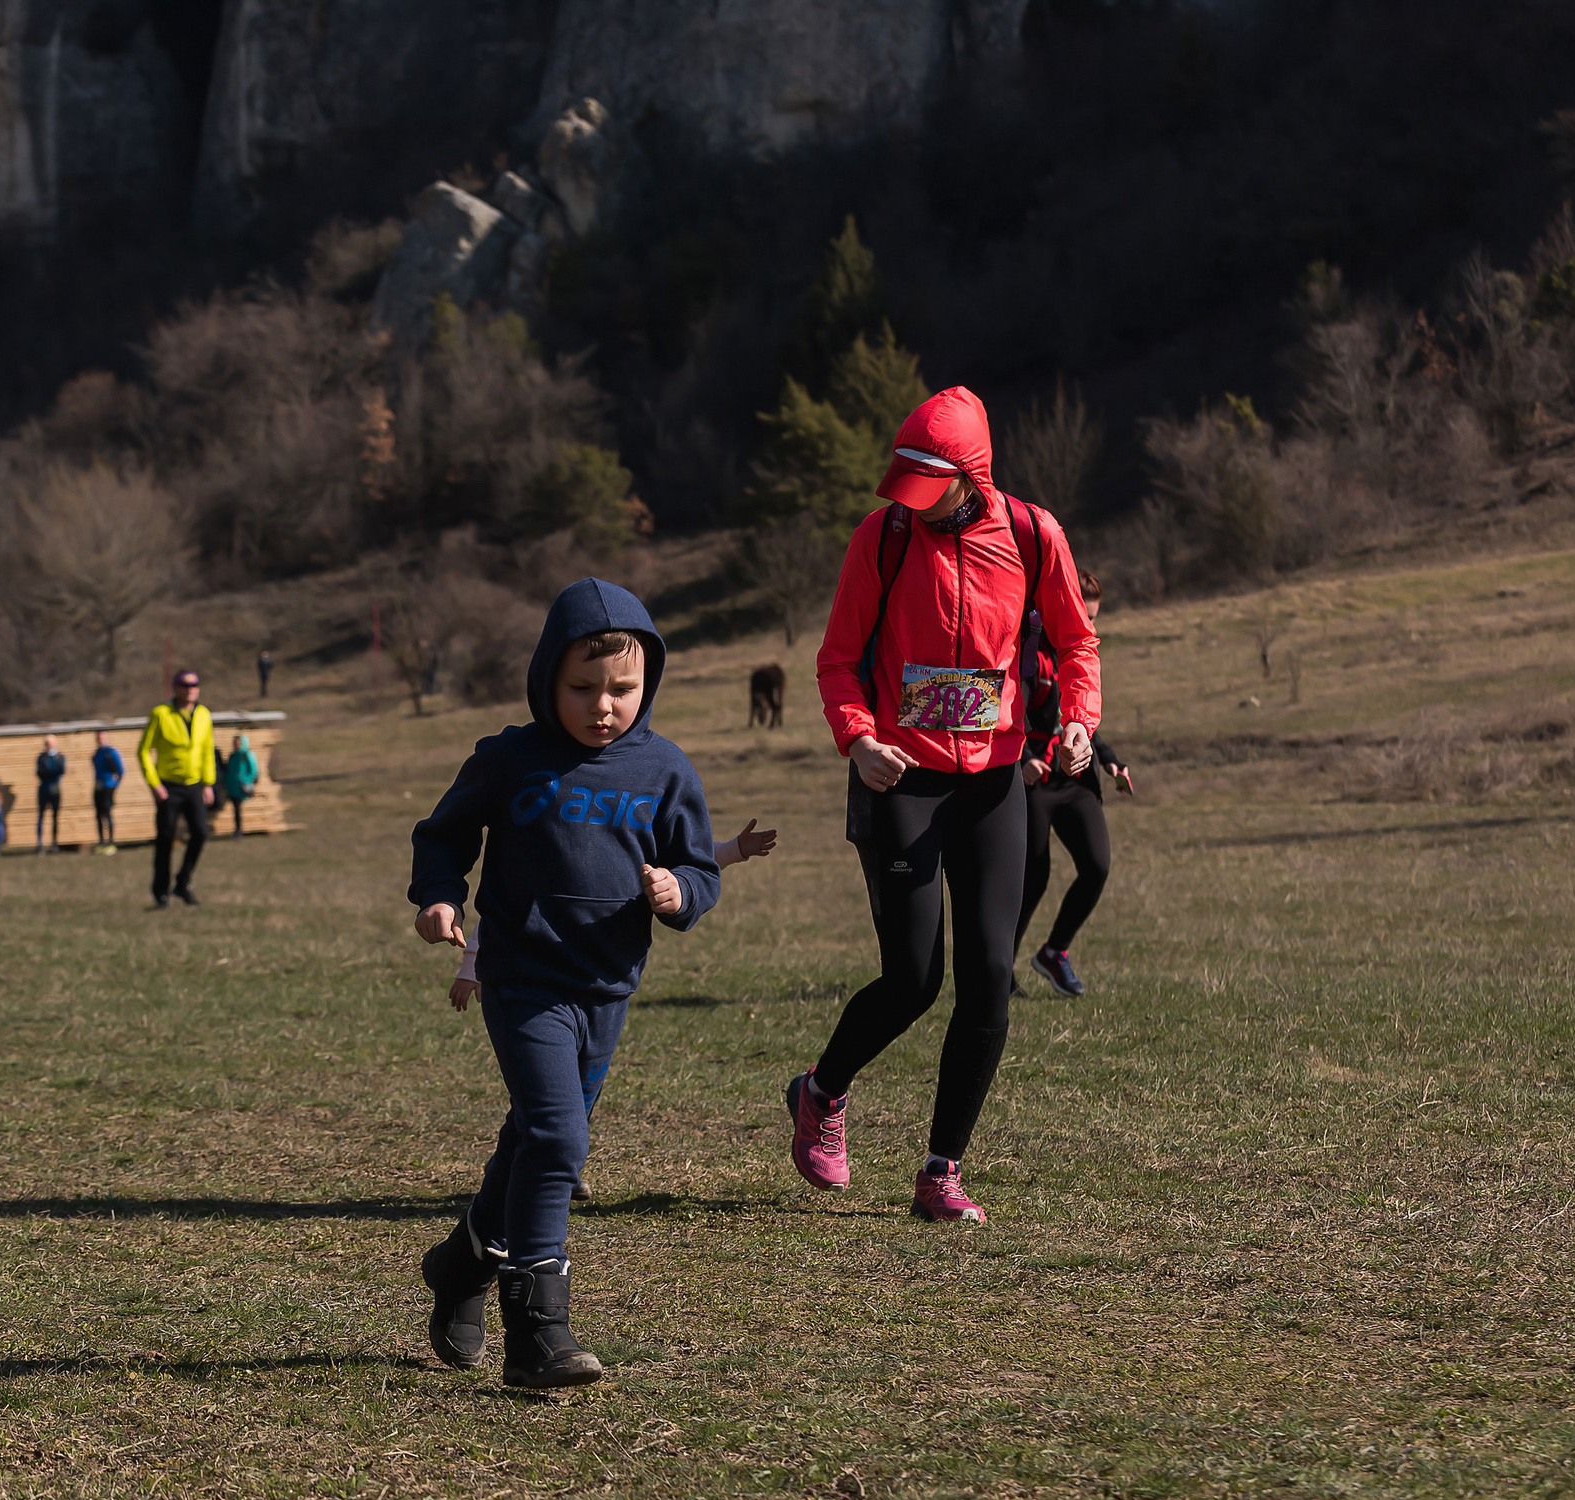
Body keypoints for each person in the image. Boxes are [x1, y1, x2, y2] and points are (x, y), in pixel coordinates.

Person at [786, 387, 1098, 1226]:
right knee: (913, 980)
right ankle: (821, 1090)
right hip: (903, 777)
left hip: (995, 779)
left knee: (989, 975)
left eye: (933, 489)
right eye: (909, 486)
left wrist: (1077, 721)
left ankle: (941, 1173)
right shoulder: (882, 538)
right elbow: (837, 660)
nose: (917, 504)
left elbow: (1076, 642)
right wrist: (857, 739)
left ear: (973, 476)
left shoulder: (1033, 534)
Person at [409, 579, 722, 1389]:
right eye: (582, 687)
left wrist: (680, 891)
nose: (602, 705)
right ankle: (538, 1331)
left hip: (607, 987)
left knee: (533, 1137)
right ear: (547, 675)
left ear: (649, 682)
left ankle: (461, 1263)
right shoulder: (509, 758)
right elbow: (443, 834)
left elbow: (699, 865)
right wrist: (440, 896)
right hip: (524, 983)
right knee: (558, 1138)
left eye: (622, 688)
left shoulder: (664, 768)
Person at [448, 816, 775, 1203]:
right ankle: (549, 1167)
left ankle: (551, 1161)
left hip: (602, 988)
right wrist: (470, 968)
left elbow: (687, 862)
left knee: (581, 1092)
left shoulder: (628, 841)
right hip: (536, 987)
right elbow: (503, 915)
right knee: (545, 1095)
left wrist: (735, 850)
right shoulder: (544, 848)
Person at [1015, 571, 1133, 998]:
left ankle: (1054, 952)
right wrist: (1023, 758)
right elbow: (1009, 713)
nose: (1090, 626)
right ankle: (998, 968)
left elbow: (1080, 722)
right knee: (1033, 878)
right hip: (1035, 783)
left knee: (1097, 865)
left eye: (1094, 618)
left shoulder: (1078, 657)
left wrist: (1111, 760)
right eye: (1084, 616)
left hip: (1075, 778)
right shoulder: (1029, 652)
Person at [139, 670, 214, 908]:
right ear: (176, 688)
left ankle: (183, 881)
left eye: (194, 685)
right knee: (165, 838)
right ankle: (161, 892)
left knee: (201, 833)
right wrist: (154, 783)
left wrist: (208, 782)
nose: (190, 690)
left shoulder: (203, 715)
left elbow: (207, 749)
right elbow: (143, 750)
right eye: (185, 685)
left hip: (194, 785)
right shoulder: (161, 714)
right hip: (169, 786)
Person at [220, 733, 260, 838]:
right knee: (236, 808)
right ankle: (237, 830)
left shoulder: (247, 754)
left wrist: (246, 780)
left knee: (237, 808)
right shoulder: (232, 756)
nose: (236, 745)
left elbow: (254, 771)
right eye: (235, 743)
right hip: (232, 786)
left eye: (238, 743)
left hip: (242, 787)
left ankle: (238, 830)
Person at [89, 732, 123, 854]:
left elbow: (121, 769)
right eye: (98, 738)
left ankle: (111, 842)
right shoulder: (96, 754)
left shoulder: (111, 752)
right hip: (98, 786)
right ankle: (101, 842)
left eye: (102, 738)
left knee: (107, 813)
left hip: (108, 786)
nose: (100, 740)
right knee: (98, 814)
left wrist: (115, 784)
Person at [34, 733, 66, 852]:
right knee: (41, 817)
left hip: (55, 789)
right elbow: (39, 773)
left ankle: (54, 843)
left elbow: (61, 770)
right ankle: (40, 844)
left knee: (55, 817)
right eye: (47, 743)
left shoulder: (60, 757)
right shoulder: (41, 757)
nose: (49, 745)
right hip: (44, 789)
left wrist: (50, 773)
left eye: (51, 743)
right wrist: (52, 773)